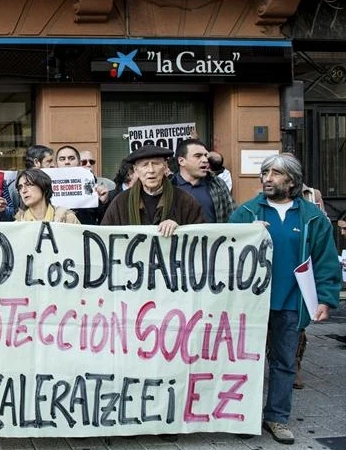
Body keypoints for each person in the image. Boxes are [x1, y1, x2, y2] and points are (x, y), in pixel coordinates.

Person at [229, 153, 340, 445]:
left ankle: (277, 418)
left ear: (291, 181)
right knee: (246, 360)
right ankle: (246, 416)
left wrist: (326, 299)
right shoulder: (247, 213)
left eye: (275, 173)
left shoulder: (312, 218)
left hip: (291, 301)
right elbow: (226, 250)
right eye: (265, 172)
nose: (267, 178)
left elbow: (325, 261)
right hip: (251, 304)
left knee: (284, 363)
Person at [101, 145, 204, 235]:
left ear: (165, 167)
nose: (151, 170)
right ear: (136, 170)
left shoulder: (185, 200)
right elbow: (105, 236)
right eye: (144, 165)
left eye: (155, 163)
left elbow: (201, 236)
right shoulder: (121, 202)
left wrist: (180, 229)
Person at [172, 139, 236, 223]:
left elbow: (232, 216)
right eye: (198, 156)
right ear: (181, 161)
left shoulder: (218, 185)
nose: (205, 160)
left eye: (206, 155)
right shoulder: (169, 187)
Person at [54, 145, 110, 224]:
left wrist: (103, 202)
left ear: (79, 163)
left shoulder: (90, 183)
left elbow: (101, 218)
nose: (67, 162)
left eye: (71, 158)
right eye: (62, 159)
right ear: (56, 164)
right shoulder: (47, 184)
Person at [14, 169, 79, 223]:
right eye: (20, 187)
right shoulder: (18, 224)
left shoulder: (67, 218)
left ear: (43, 186)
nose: (23, 191)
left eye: (28, 184)